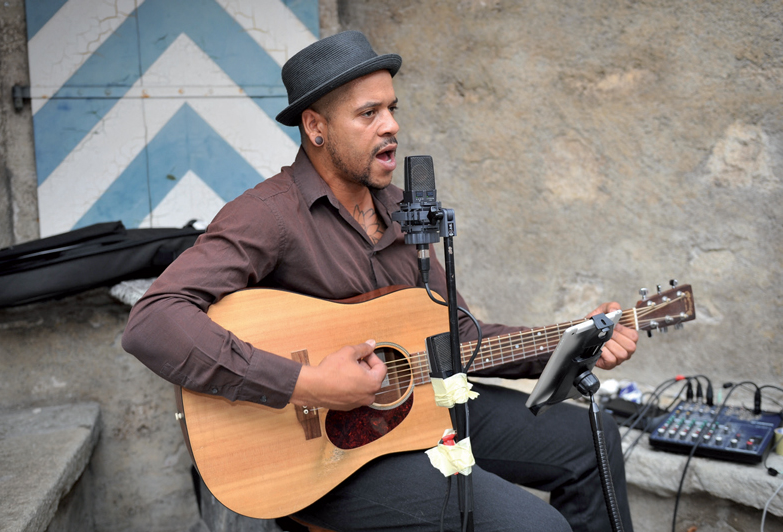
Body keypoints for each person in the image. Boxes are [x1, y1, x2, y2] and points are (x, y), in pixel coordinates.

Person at [122, 31, 639, 532]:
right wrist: (309, 384)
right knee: (535, 526)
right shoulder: (269, 215)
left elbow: (457, 340)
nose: (390, 126)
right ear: (316, 127)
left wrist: (578, 341)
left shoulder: (401, 209)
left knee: (591, 439)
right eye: (369, 113)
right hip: (333, 458)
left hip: (421, 412)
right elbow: (152, 321)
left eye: (392, 109)